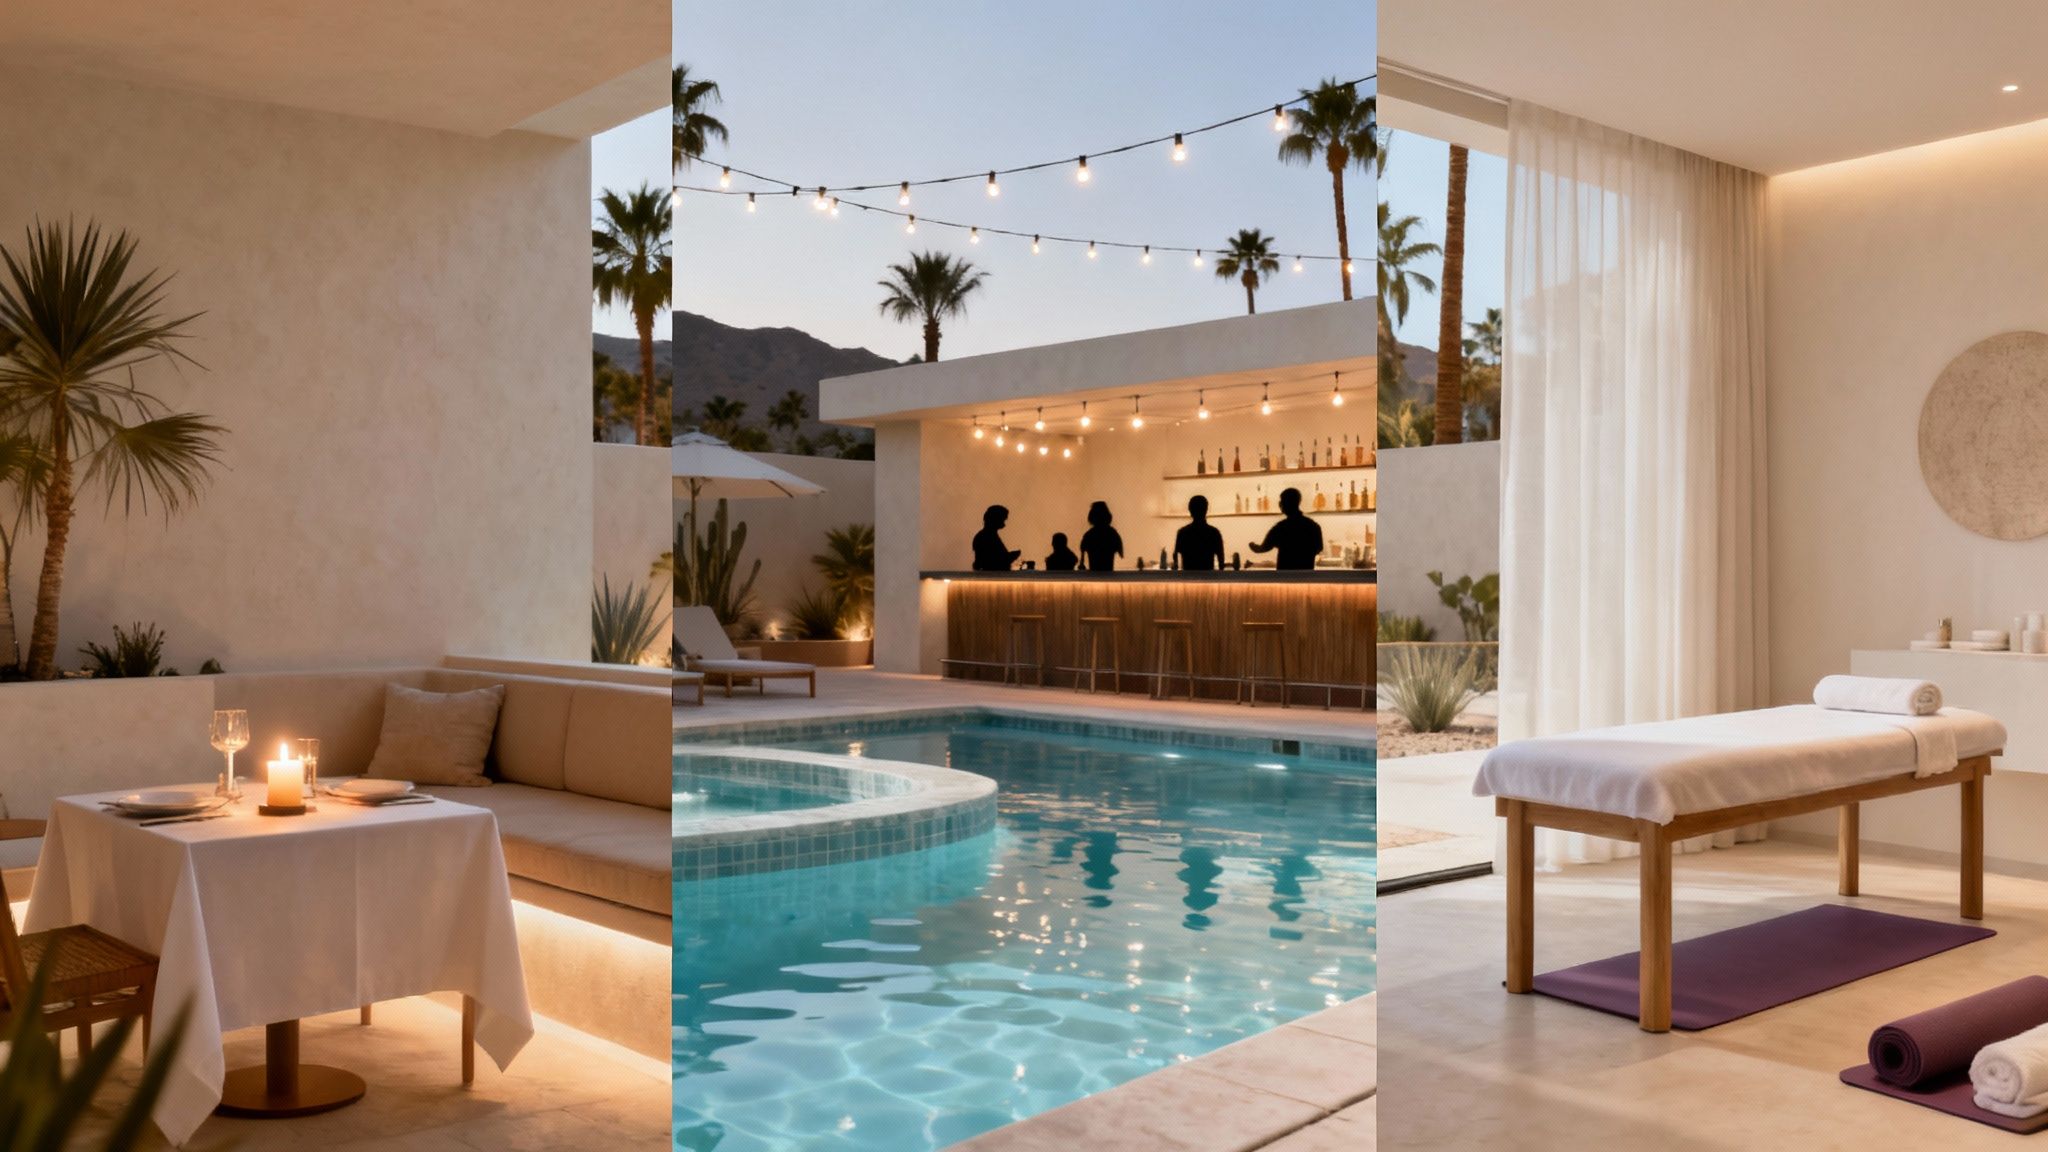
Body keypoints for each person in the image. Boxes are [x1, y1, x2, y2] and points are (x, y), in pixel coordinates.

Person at [1249, 487, 1324, 570]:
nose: (1280, 504)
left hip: (1285, 576)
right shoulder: (1313, 526)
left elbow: (1263, 548)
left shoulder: (1280, 528)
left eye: (1281, 501)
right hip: (1306, 576)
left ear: (1285, 503)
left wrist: (1253, 546)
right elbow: (1319, 548)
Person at [1173, 495, 1226, 572]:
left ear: (1190, 510)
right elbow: (1221, 562)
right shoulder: (1214, 533)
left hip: (1187, 578)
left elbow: (1176, 559)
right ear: (1206, 510)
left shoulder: (1182, 533)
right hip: (1208, 578)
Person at [972, 505, 1021, 571]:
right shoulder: (987, 537)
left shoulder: (986, 536)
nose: (1004, 523)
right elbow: (995, 562)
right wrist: (1012, 556)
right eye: (1002, 519)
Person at [1079, 501, 1123, 571]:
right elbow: (1120, 550)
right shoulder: (1112, 534)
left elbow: (1082, 551)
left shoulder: (1089, 535)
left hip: (1093, 572)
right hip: (1109, 571)